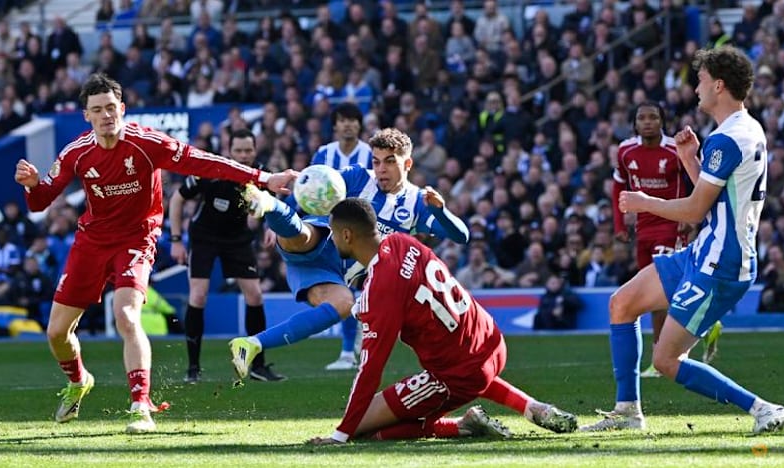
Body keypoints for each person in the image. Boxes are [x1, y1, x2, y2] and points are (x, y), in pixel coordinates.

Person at [13, 73, 296, 434]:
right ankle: (79, 380)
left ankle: (139, 406)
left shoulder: (148, 143)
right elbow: (40, 201)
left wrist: (264, 178)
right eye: (97, 110)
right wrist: (32, 185)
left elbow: (205, 162)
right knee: (56, 332)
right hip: (92, 242)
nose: (105, 115)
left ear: (122, 109)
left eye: (111, 107)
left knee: (126, 315)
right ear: (87, 115)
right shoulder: (76, 153)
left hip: (136, 238)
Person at [581, 46, 784, 434]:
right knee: (622, 304)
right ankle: (627, 412)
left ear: (718, 85)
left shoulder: (727, 139)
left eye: (700, 80)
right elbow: (716, 200)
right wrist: (690, 160)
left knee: (666, 360)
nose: (695, 88)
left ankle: (762, 408)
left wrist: (644, 202)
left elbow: (695, 211)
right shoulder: (745, 129)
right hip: (705, 251)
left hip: (721, 263)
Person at [304, 198, 577, 444]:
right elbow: (402, 287)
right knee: (469, 368)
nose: (332, 241)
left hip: (458, 374)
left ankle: (461, 426)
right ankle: (532, 407)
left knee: (361, 427)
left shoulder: (382, 290)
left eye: (333, 234)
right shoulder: (403, 242)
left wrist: (341, 435)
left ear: (347, 235)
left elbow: (371, 369)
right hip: (491, 343)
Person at [229, 128, 469, 378]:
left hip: (330, 274)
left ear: (407, 164)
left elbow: (461, 235)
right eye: (376, 162)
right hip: (320, 239)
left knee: (344, 304)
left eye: (389, 162)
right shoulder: (358, 177)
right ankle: (270, 205)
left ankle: (251, 344)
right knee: (306, 235)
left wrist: (440, 211)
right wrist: (279, 215)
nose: (381, 169)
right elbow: (316, 187)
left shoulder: (417, 203)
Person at [612, 101, 724, 378]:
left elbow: (695, 183)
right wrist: (619, 223)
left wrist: (691, 216)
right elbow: (619, 185)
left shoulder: (674, 150)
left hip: (671, 225)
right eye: (642, 118)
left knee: (661, 293)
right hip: (643, 228)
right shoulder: (625, 151)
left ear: (662, 121)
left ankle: (660, 356)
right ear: (634, 123)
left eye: (653, 117)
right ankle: (705, 322)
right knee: (658, 291)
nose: (647, 122)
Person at [169, 128, 284, 384]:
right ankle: (193, 368)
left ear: (255, 150)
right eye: (238, 151)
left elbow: (275, 207)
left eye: (248, 150)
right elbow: (177, 199)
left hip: (237, 238)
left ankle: (258, 366)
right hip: (204, 238)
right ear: (229, 151)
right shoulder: (211, 170)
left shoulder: (262, 175)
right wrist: (176, 240)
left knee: (255, 295)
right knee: (198, 295)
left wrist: (272, 228)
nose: (244, 156)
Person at [310, 102, 374, 371]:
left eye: (353, 120)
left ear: (359, 125)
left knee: (367, 291)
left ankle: (360, 347)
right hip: (333, 233)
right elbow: (309, 189)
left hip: (367, 232)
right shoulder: (323, 154)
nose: (348, 124)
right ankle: (349, 352)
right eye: (343, 120)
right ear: (335, 125)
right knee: (347, 291)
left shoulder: (370, 154)